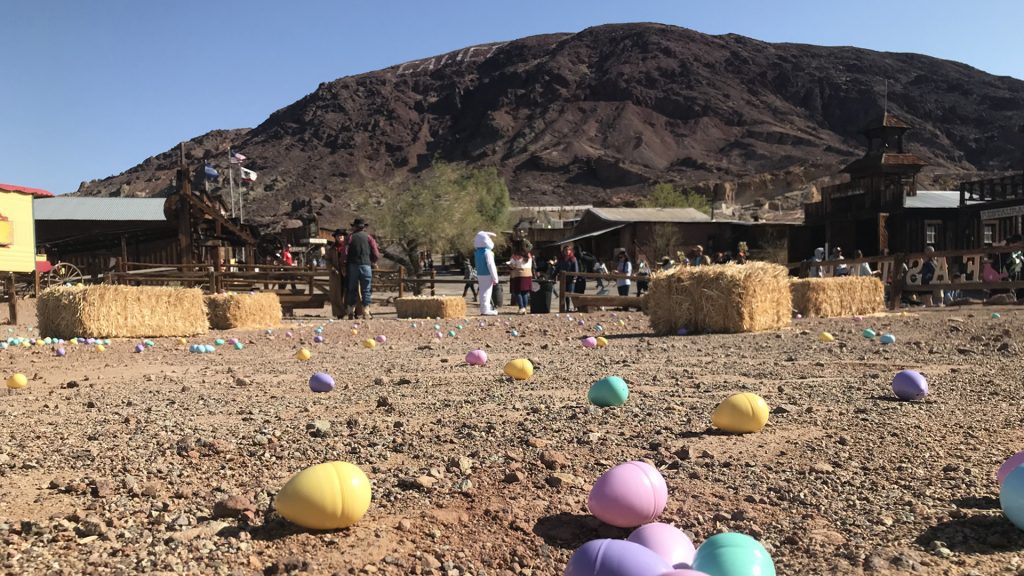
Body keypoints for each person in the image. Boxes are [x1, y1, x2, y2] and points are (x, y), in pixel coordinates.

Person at [345, 218, 380, 320]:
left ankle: (351, 311)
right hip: (366, 265)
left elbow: (345, 253)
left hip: (353, 265)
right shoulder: (369, 238)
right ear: (364, 227)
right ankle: (366, 311)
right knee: (366, 289)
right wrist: (372, 261)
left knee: (352, 288)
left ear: (354, 227)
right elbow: (376, 253)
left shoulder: (350, 237)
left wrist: (344, 263)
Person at [474, 231, 499, 316]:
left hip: (480, 274)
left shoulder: (477, 252)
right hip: (487, 274)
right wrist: (495, 278)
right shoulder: (487, 252)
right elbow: (491, 265)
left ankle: (484, 308)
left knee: (482, 292)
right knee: (487, 292)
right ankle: (486, 310)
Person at [325, 228, 349, 318]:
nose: (340, 237)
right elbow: (327, 260)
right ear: (335, 237)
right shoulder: (331, 248)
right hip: (336, 274)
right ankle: (339, 313)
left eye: (341, 236)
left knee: (349, 292)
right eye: (338, 236)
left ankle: (350, 311)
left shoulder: (348, 247)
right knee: (336, 294)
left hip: (347, 272)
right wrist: (331, 268)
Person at [507, 241, 533, 314]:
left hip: (518, 275)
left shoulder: (515, 255)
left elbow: (513, 265)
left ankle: (521, 307)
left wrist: (509, 265)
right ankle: (525, 308)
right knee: (525, 293)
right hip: (528, 275)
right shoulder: (529, 255)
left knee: (517, 292)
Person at [556, 245, 580, 311]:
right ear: (563, 251)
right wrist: (553, 275)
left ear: (570, 251)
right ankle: (567, 308)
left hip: (571, 279)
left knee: (570, 294)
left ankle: (576, 307)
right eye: (565, 250)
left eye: (568, 250)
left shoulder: (573, 259)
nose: (567, 251)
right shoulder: (561, 259)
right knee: (564, 294)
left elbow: (576, 270)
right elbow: (557, 268)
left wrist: (575, 278)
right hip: (563, 279)